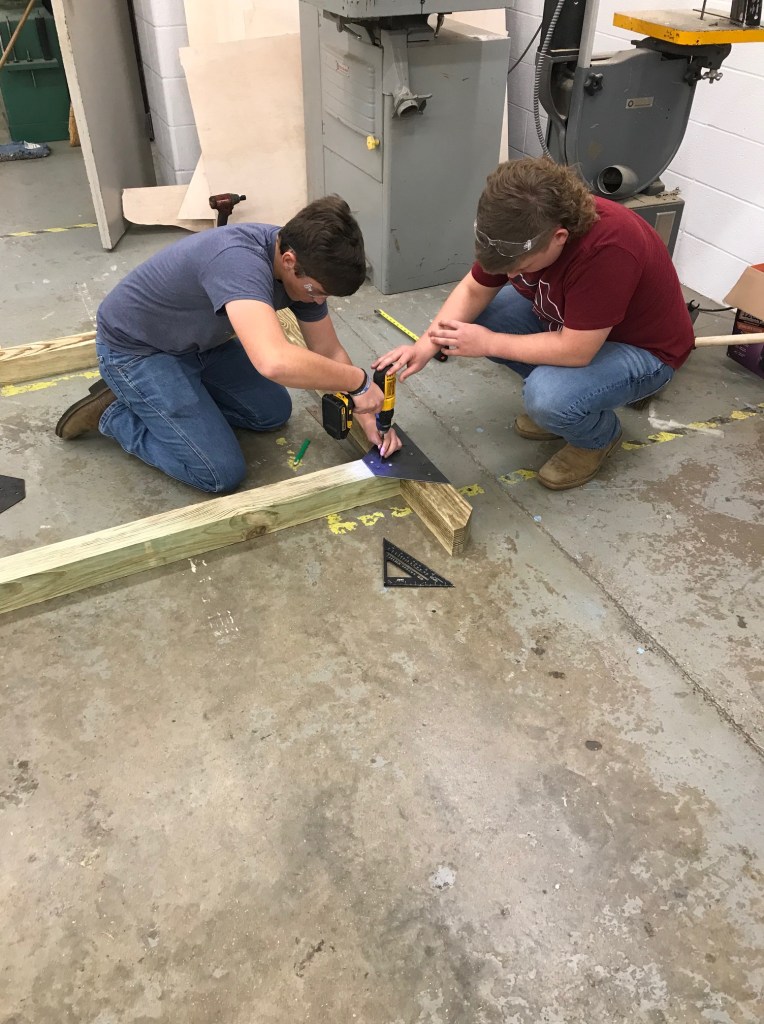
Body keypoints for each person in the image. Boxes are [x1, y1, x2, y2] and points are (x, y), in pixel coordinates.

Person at [374, 157, 695, 490]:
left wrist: (488, 343)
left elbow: (576, 350)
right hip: (573, 324)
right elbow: (473, 290)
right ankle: (569, 406)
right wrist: (425, 345)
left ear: (559, 237)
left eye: (521, 267)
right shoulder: (514, 228)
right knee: (479, 318)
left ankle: (597, 436)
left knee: (547, 398)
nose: (512, 275)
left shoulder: (607, 248)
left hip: (642, 349)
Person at [56, 196, 401, 492]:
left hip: (199, 344)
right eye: (318, 291)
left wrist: (366, 414)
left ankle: (174, 400)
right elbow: (274, 361)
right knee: (218, 472)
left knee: (271, 413)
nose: (318, 301)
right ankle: (114, 414)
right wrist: (357, 382)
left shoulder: (306, 267)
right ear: (289, 261)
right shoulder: (237, 261)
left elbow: (327, 351)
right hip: (138, 351)